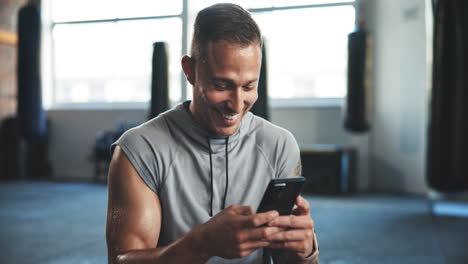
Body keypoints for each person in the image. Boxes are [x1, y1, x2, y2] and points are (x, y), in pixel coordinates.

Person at [106, 3, 319, 264]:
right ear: (190, 71)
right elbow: (121, 261)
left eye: (249, 86)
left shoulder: (278, 144)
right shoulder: (139, 149)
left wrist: (304, 252)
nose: (237, 103)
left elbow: (288, 259)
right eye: (222, 85)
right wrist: (201, 244)